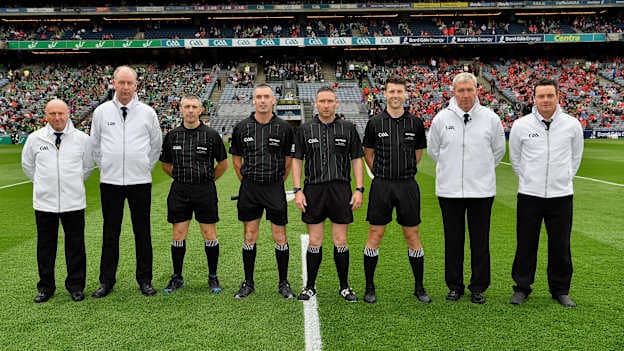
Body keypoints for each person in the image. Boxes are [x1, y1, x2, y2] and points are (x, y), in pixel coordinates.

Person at [427, 72, 506, 304]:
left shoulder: (490, 118)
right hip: (449, 191)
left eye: (469, 90)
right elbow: (434, 151)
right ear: (454, 92)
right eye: (461, 90)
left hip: (481, 191)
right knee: (453, 240)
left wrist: (480, 171)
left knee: (480, 241)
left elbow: (498, 151)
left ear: (476, 90)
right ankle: (455, 285)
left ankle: (478, 287)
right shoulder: (441, 118)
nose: (465, 95)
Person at [508, 78, 584, 307]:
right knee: (526, 244)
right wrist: (530, 179)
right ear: (534, 99)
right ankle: (522, 287)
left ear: (558, 97)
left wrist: (562, 178)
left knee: (560, 245)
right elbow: (516, 160)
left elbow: (575, 158)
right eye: (541, 96)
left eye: (550, 95)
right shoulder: (521, 125)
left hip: (561, 196)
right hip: (529, 195)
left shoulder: (572, 125)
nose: (546, 100)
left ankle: (560, 289)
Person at [90, 65, 162, 298]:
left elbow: (156, 146)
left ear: (136, 85)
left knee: (142, 232)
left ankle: (145, 279)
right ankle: (106, 281)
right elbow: (95, 146)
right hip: (110, 182)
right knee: (110, 232)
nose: (125, 87)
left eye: (129, 83)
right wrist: (108, 167)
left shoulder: (147, 112)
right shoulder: (101, 112)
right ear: (113, 83)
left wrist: (142, 167)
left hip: (139, 181)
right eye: (121, 83)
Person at [361, 76, 431, 304]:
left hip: (407, 185)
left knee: (412, 235)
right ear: (385, 94)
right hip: (382, 185)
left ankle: (419, 287)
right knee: (375, 234)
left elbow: (418, 155)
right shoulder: (375, 123)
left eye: (399, 92)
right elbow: (368, 154)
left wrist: (403, 170)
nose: (395, 96)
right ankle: (370, 286)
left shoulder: (416, 123)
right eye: (391, 91)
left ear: (405, 94)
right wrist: (382, 172)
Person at [292, 87, 364, 302]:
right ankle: (310, 286)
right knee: (315, 240)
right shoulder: (305, 129)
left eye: (329, 101)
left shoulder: (348, 128)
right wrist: (297, 191)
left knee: (340, 240)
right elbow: (297, 161)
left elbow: (357, 159)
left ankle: (344, 286)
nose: (326, 105)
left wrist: (359, 189)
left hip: (341, 189)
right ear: (316, 103)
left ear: (336, 103)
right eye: (322, 101)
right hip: (313, 189)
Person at [21, 99, 94, 303]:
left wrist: (71, 184)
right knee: (45, 247)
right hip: (45, 203)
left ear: (68, 113)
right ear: (46, 115)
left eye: (61, 113)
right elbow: (28, 166)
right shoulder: (35, 139)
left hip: (74, 202)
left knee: (76, 246)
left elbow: (87, 167)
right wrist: (45, 184)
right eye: (52, 113)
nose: (57, 117)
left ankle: (76, 286)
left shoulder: (82, 139)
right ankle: (46, 287)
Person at [229, 83, 295, 299]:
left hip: (274, 187)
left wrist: (276, 181)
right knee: (249, 234)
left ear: (273, 100)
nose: (263, 100)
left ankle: (283, 282)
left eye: (267, 96)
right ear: (254, 100)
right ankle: (248, 282)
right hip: (250, 188)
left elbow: (288, 162)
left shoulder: (284, 128)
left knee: (279, 235)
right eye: (259, 97)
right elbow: (236, 161)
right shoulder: (242, 128)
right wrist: (248, 181)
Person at [160, 95, 229, 295]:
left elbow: (223, 164)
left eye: (194, 107)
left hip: (204, 191)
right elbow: (165, 164)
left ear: (201, 110)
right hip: (180, 190)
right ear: (180, 109)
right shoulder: (172, 135)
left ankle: (213, 276)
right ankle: (177, 277)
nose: (190, 110)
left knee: (209, 234)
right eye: (186, 107)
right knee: (178, 234)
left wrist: (207, 180)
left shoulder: (211, 135)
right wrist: (183, 177)